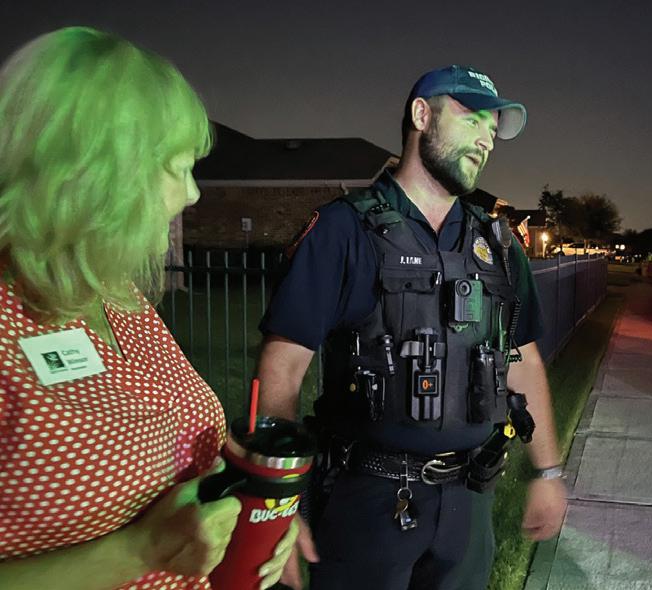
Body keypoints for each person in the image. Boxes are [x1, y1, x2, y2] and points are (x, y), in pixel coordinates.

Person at [0, 27, 298, 590]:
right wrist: (139, 551)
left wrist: (251, 515)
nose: (193, 194)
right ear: (98, 173)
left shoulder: (114, 296)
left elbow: (175, 448)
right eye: (179, 168)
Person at [256, 65, 567, 590]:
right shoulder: (344, 230)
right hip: (367, 503)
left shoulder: (497, 244)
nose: (487, 139)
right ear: (422, 115)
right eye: (472, 120)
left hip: (470, 501)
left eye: (493, 129)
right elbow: (281, 369)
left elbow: (523, 359)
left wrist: (549, 472)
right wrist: (279, 501)